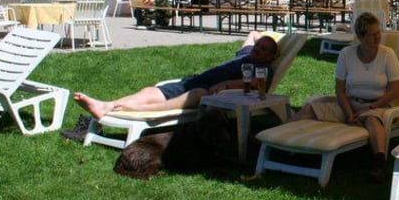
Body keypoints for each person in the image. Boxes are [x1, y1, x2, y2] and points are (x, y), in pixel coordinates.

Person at [293, 12, 399, 182]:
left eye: (378, 33)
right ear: (360, 36)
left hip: (377, 106)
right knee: (309, 109)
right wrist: (349, 112)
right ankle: (287, 144)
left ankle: (380, 163)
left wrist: (371, 107)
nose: (377, 37)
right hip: (348, 104)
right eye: (372, 34)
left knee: (372, 121)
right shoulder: (346, 53)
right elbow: (340, 89)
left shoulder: (388, 55)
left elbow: (394, 91)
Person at [74, 31, 280, 119]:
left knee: (197, 94)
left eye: (263, 49)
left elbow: (255, 85)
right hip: (193, 81)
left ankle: (134, 108)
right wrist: (266, 40)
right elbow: (252, 33)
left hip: (207, 92)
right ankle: (107, 105)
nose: (257, 49)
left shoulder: (263, 68)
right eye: (258, 46)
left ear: (272, 56)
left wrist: (227, 84)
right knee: (149, 90)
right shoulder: (245, 53)